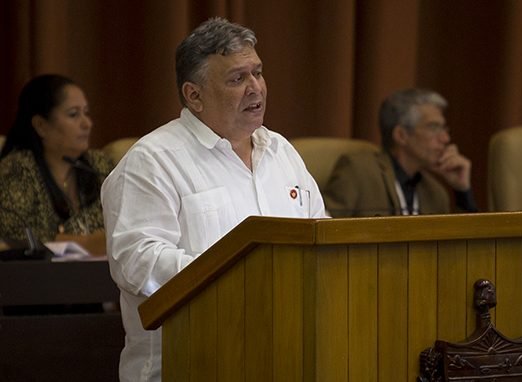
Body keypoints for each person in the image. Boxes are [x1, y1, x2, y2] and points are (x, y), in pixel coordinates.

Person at [101, 17, 326, 382]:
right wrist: (243, 280)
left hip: (286, 360)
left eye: (258, 72)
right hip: (186, 366)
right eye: (237, 79)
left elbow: (321, 238)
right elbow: (137, 261)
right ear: (194, 95)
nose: (256, 88)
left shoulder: (281, 152)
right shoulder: (151, 161)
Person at [0, 74, 114, 254]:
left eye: (86, 112)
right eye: (74, 114)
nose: (87, 123)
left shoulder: (100, 165)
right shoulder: (16, 170)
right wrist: (86, 243)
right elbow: (13, 235)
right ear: (41, 125)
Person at [323, 88, 478, 217]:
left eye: (444, 128)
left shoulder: (435, 192)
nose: (445, 138)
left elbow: (456, 250)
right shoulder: (357, 170)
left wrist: (462, 191)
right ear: (401, 135)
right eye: (433, 127)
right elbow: (325, 232)